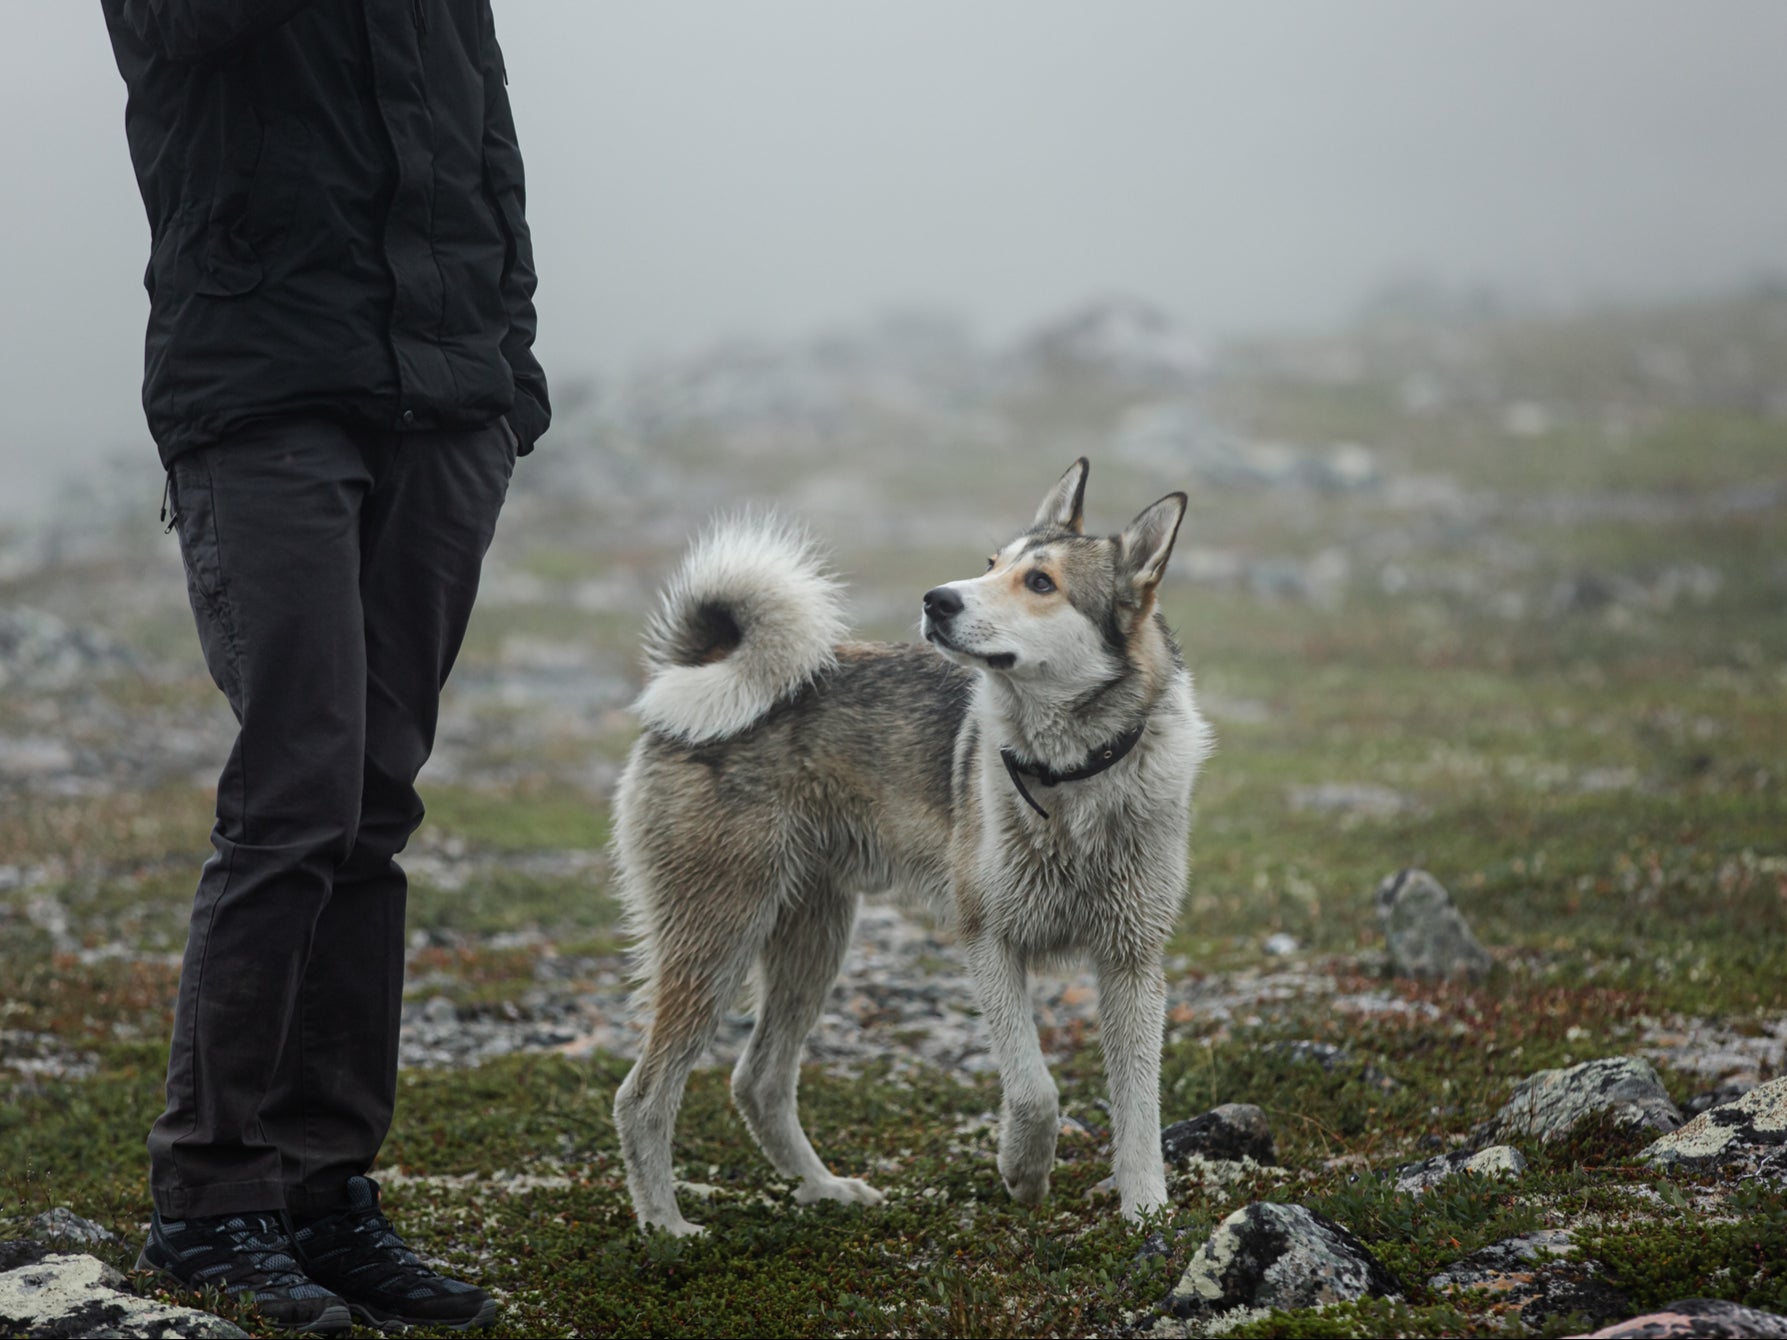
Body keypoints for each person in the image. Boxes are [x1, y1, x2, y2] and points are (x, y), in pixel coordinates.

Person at [101, 2, 549, 1332]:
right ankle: (210, 1198)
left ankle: (323, 1192)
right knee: (293, 797)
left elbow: (486, 145)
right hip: (260, 394)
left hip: (442, 399)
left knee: (370, 803)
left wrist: (505, 373)